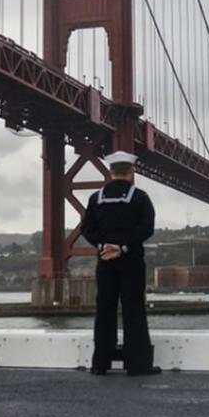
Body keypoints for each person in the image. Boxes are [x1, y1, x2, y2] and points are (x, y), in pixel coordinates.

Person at [80, 151, 160, 377]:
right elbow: (146, 228)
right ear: (132, 171)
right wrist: (122, 247)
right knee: (133, 310)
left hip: (104, 262)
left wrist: (102, 245)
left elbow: (86, 228)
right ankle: (138, 365)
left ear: (110, 171)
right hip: (131, 261)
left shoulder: (96, 198)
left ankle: (100, 364)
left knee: (105, 309)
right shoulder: (140, 197)